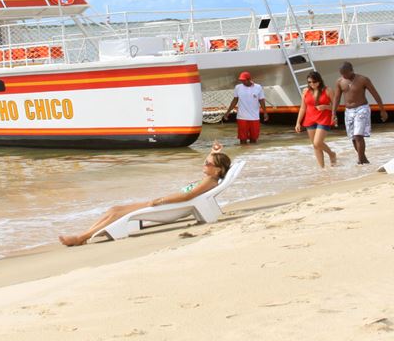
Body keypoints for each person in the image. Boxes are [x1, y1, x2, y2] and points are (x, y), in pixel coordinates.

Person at [59, 143, 232, 246]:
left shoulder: (209, 181)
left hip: (168, 208)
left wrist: (160, 200)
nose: (204, 164)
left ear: (217, 170)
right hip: (167, 205)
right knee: (114, 209)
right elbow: (214, 164)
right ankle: (85, 235)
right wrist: (214, 151)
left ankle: (81, 237)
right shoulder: (211, 176)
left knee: (118, 214)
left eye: (207, 163)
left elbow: (188, 196)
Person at [333, 62, 387, 165]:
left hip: (362, 108)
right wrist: (333, 113)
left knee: (358, 135)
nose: (344, 76)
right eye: (342, 74)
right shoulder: (340, 81)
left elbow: (375, 94)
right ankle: (364, 159)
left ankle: (360, 160)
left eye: (345, 73)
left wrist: (382, 110)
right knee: (353, 137)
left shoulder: (363, 79)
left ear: (351, 71)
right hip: (348, 111)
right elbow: (337, 98)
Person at [294, 70, 338, 168]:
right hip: (310, 120)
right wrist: (298, 122)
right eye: (309, 82)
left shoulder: (328, 90)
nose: (312, 84)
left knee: (317, 142)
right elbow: (303, 108)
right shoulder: (305, 91)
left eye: (314, 82)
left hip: (323, 119)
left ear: (319, 81)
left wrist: (325, 107)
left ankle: (331, 154)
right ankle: (322, 169)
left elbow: (336, 106)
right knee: (315, 146)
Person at [223, 71, 268, 144]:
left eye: (244, 80)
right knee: (242, 140)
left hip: (254, 117)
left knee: (254, 140)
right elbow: (235, 100)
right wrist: (228, 112)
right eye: (241, 80)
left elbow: (261, 100)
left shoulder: (258, 87)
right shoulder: (238, 87)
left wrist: (265, 112)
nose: (242, 81)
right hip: (242, 118)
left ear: (249, 79)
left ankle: (251, 155)